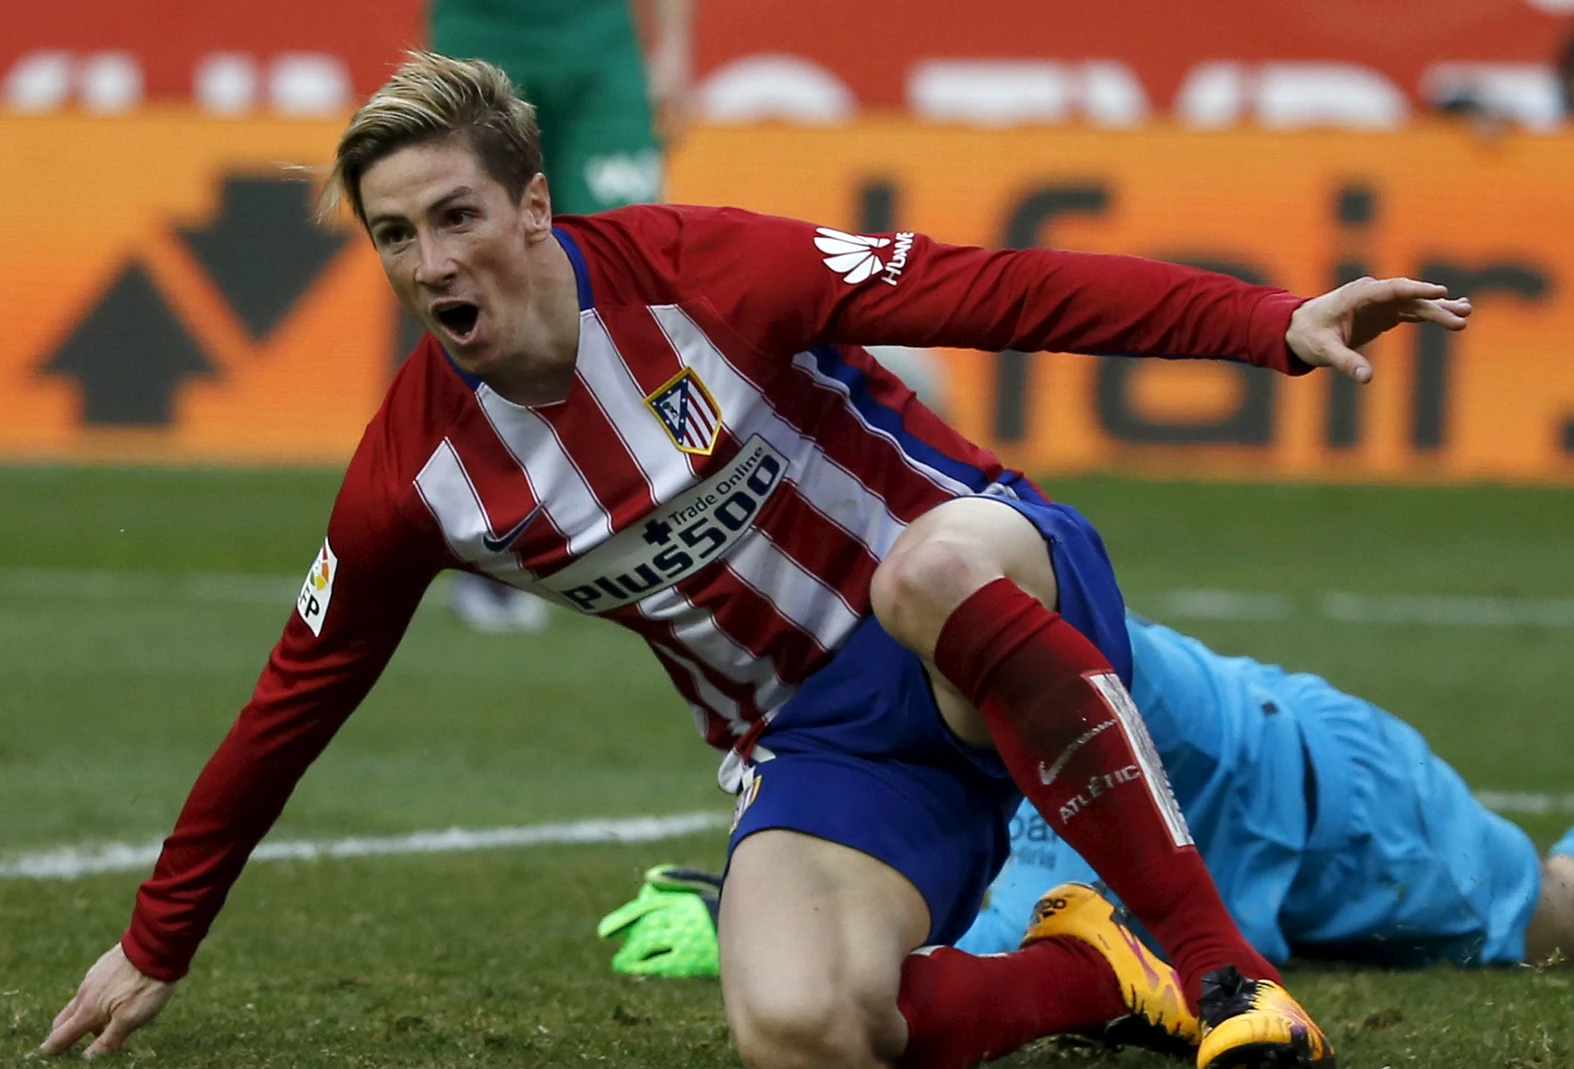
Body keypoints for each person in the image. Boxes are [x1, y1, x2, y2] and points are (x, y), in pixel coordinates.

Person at [36, 53, 1473, 1068]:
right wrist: (160, 942)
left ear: (533, 209)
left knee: (921, 576)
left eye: (456, 217)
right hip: (828, 739)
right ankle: (1096, 968)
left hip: (986, 576)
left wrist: (1266, 325)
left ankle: (1229, 971)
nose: (429, 263)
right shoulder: (417, 475)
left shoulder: (703, 271)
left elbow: (993, 284)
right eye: (397, 237)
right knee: (796, 1028)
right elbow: (295, 695)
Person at [603, 613, 1574, 1027]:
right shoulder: (897, 641)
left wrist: (745, 930)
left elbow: (1035, 934)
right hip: (1218, 777)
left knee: (1568, 922)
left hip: (1323, 796)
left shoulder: (1010, 679)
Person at [431, 0, 694, 632]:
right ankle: (494, 537)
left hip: (597, 37)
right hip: (479, 31)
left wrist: (677, 45)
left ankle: (685, 510)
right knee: (481, 279)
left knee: (632, 268)